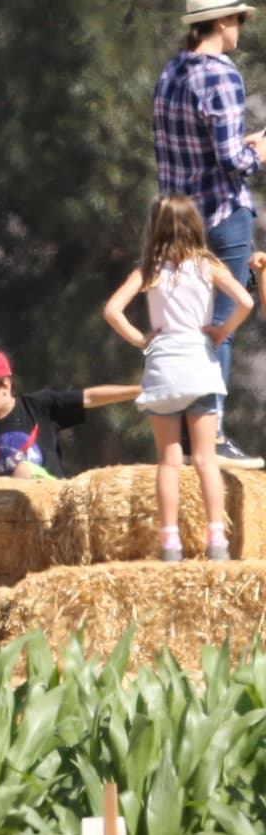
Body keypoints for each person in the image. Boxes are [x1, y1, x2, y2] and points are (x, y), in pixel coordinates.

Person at [153, 0, 266, 470]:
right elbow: (229, 161)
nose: (240, 28)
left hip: (180, 221)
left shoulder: (172, 71)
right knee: (221, 326)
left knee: (187, 325)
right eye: (238, 19)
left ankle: (186, 430)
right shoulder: (222, 75)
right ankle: (213, 434)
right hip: (222, 214)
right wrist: (258, 154)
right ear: (221, 22)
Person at [103, 194, 253, 561]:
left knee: (169, 462)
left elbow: (111, 310)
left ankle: (170, 542)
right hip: (198, 365)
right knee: (205, 459)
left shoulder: (149, 269)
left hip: (162, 368)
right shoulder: (207, 264)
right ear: (195, 225)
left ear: (155, 226)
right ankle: (216, 539)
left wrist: (141, 338)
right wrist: (220, 331)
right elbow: (245, 302)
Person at [0, 349, 142, 479]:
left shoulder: (38, 406)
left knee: (23, 470)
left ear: (5, 385)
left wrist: (141, 391)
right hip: (6, 515)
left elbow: (89, 397)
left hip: (50, 498)